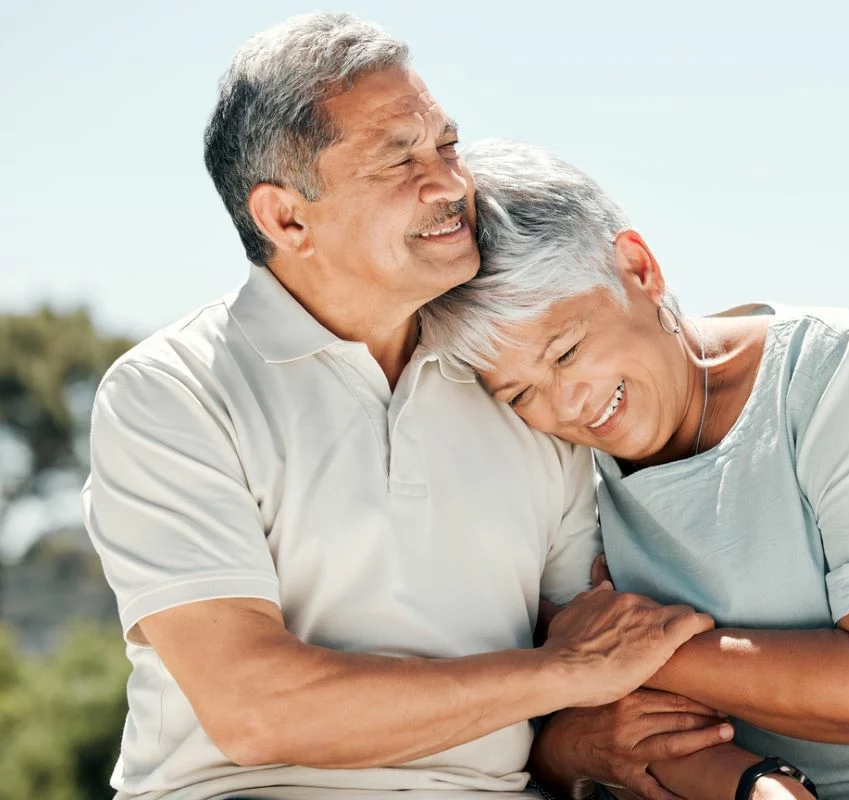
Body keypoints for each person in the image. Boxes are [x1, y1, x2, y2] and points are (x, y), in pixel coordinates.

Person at [81, 15, 730, 800]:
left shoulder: (519, 386)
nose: (452, 185)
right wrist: (557, 675)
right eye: (400, 160)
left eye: (447, 147)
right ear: (287, 219)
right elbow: (256, 709)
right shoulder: (171, 392)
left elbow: (590, 636)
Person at [421, 138, 849, 800]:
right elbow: (613, 728)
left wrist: (596, 654)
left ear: (640, 268)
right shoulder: (559, 475)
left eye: (568, 352)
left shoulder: (834, 371)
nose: (564, 404)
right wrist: (573, 715)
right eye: (518, 394)